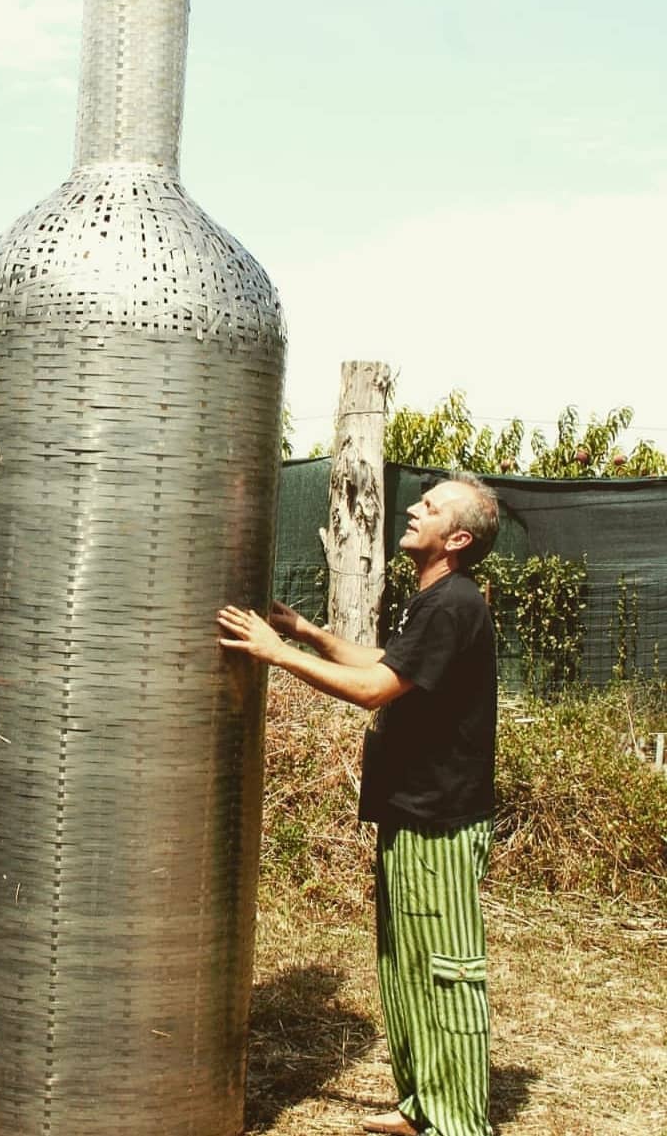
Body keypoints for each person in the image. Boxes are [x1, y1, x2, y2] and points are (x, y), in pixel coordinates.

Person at [218, 474, 500, 1136]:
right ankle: (420, 1102)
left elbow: (376, 687)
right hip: (411, 811)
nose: (412, 507)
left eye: (429, 506)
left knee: (445, 972)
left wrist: (273, 652)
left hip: (442, 819)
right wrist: (306, 631)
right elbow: (383, 657)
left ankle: (458, 1122)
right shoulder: (433, 600)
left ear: (456, 538)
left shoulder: (456, 602)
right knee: (404, 967)